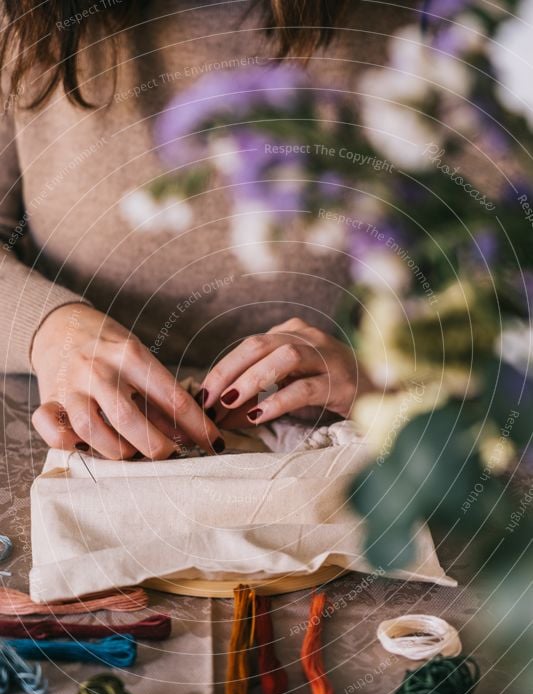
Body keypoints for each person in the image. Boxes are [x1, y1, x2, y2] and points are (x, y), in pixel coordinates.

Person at [0, 0, 408, 459]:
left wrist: (386, 377)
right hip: (73, 443)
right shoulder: (23, 21)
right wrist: (46, 329)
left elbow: (495, 289)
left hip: (359, 456)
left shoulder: (420, 34)